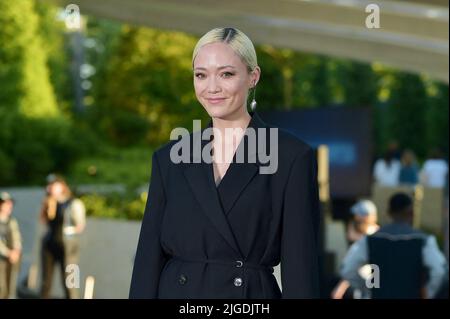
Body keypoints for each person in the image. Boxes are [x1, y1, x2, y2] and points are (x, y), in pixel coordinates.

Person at [129, 27, 320, 299]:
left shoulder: (290, 156)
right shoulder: (169, 158)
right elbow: (148, 261)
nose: (212, 87)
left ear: (253, 77)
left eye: (226, 74)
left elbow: (301, 268)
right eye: (201, 75)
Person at [339, 192, 448, 299]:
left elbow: (348, 269)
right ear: (412, 213)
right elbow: (439, 271)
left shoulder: (370, 240)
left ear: (389, 212)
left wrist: (368, 289)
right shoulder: (424, 241)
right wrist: (428, 293)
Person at [39, 176, 86, 299]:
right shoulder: (50, 202)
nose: (50, 188)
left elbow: (80, 225)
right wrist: (48, 205)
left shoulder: (73, 203)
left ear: (61, 187)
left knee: (71, 281)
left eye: (53, 185)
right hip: (50, 244)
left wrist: (68, 230)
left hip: (68, 245)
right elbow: (43, 221)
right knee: (46, 281)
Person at [331, 200, 379, 299]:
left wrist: (341, 287)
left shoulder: (370, 239)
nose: (355, 220)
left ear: (366, 217)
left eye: (357, 217)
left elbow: (349, 270)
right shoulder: (369, 236)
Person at [0, 192, 22, 299]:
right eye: (6, 203)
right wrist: (8, 253)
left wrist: (16, 251)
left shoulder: (12, 221)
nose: (9, 206)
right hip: (2, 258)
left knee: (10, 288)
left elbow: (16, 237)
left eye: (10, 203)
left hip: (11, 259)